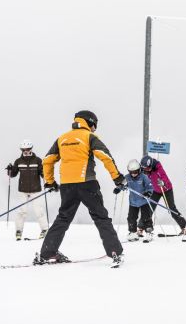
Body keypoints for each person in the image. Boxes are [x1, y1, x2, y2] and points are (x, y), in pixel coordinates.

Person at [34, 110, 125, 267]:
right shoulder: (89, 137)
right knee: (100, 217)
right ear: (90, 122)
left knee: (63, 218)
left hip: (67, 186)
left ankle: (47, 253)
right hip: (87, 183)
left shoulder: (62, 138)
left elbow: (47, 160)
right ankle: (114, 251)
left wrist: (50, 181)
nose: (94, 129)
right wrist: (117, 178)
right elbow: (105, 156)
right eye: (94, 126)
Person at [6, 140, 48, 240]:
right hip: (23, 190)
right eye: (23, 149)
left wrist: (45, 172)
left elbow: (43, 173)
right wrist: (10, 170)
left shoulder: (37, 160)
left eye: (28, 149)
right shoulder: (18, 161)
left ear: (31, 149)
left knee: (39, 211)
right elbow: (13, 175)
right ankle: (18, 231)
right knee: (22, 211)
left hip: (36, 189)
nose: (25, 151)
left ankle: (45, 229)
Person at [140, 155, 186, 235]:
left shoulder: (158, 167)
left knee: (172, 209)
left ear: (151, 165)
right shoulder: (144, 170)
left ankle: (185, 228)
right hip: (155, 190)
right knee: (149, 208)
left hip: (166, 189)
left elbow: (164, 176)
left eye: (148, 168)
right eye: (145, 169)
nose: (146, 170)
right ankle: (141, 227)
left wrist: (163, 182)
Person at [115, 159, 154, 242]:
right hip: (133, 202)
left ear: (139, 170)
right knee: (131, 218)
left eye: (135, 172)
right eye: (131, 172)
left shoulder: (144, 177)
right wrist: (118, 189)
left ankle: (149, 233)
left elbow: (150, 187)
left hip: (144, 201)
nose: (133, 174)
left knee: (146, 217)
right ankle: (133, 233)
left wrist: (148, 193)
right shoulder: (127, 177)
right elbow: (123, 185)